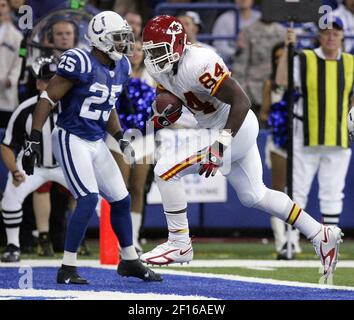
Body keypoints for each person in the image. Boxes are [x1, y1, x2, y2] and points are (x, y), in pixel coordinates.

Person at [140, 15, 343, 283]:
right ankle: (320, 233)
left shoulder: (200, 62)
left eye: (160, 50)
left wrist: (220, 145)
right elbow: (169, 94)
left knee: (166, 170)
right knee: (254, 195)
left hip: (233, 126)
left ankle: (179, 242)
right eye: (151, 50)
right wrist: (165, 114)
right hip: (213, 126)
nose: (154, 57)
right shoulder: (159, 66)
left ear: (178, 45)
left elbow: (241, 100)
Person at [21, 11, 162, 284]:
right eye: (117, 38)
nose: (124, 43)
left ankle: (129, 259)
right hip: (71, 136)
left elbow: (106, 106)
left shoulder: (120, 66)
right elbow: (48, 97)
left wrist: (120, 135)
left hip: (95, 139)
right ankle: (67, 267)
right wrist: (34, 138)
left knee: (121, 200)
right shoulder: (80, 61)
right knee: (87, 198)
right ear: (100, 40)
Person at [276, 18, 353, 232]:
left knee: (333, 192)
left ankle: (329, 240)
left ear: (342, 37)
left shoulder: (351, 63)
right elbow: (281, 80)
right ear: (319, 36)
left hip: (338, 136)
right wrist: (286, 48)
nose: (331, 37)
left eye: (335, 33)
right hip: (306, 133)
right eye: (326, 33)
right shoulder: (305, 58)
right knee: (298, 190)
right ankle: (291, 241)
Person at [1, 61, 64, 262]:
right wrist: (14, 170)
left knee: (102, 197)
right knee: (10, 196)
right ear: (39, 85)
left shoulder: (73, 107)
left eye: (57, 81)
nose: (53, 86)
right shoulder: (25, 109)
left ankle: (123, 245)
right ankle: (13, 245)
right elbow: (7, 145)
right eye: (48, 82)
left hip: (66, 166)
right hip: (34, 167)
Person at [105, 38, 155, 253]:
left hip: (145, 137)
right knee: (120, 189)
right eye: (132, 49)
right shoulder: (116, 70)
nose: (136, 53)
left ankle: (132, 238)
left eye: (140, 49)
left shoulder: (153, 75)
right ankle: (117, 240)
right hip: (119, 135)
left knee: (137, 188)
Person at [259, 42, 301, 259]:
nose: (280, 60)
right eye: (277, 57)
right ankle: (280, 240)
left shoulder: (300, 82)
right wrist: (277, 116)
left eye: (284, 56)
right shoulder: (270, 83)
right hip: (278, 140)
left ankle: (294, 238)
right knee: (278, 189)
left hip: (300, 140)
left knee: (298, 190)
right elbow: (263, 114)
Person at [212, 0, 260, 66]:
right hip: (232, 62)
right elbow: (220, 46)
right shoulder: (224, 18)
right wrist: (236, 53)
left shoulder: (260, 17)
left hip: (257, 60)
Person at [0, 0, 23, 128]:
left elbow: (19, 62)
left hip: (6, 91)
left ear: (9, 8)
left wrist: (12, 79)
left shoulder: (16, 37)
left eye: (3, 6)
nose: (0, 9)